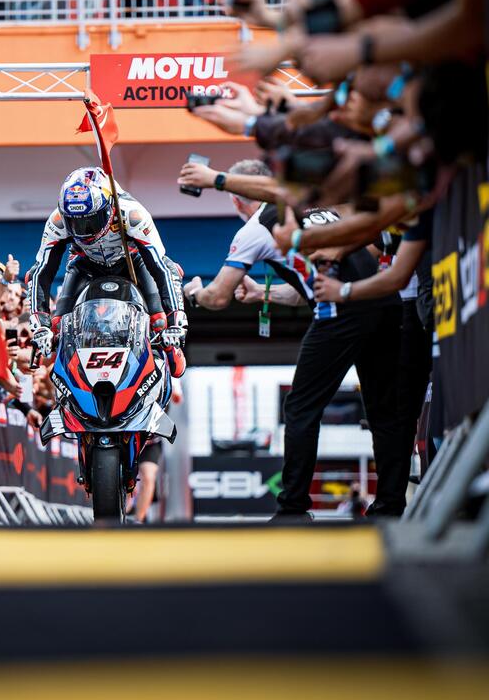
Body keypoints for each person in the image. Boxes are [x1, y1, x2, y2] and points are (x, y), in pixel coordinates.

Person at [180, 158, 406, 519]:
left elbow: (218, 297)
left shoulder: (254, 229)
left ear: (237, 199)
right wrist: (262, 294)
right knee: (384, 412)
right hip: (383, 301)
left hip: (341, 309)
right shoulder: (314, 207)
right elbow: (309, 287)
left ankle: (293, 508)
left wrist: (194, 293)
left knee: (300, 408)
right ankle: (390, 507)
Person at [27, 166, 187, 361]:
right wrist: (40, 326)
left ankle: (171, 352)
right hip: (84, 263)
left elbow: (161, 267)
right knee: (58, 324)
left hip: (133, 261)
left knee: (159, 320)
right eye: (75, 222)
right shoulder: (58, 221)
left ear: (109, 206)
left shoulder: (133, 214)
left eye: (92, 220)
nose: (84, 229)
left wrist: (175, 322)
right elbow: (40, 273)